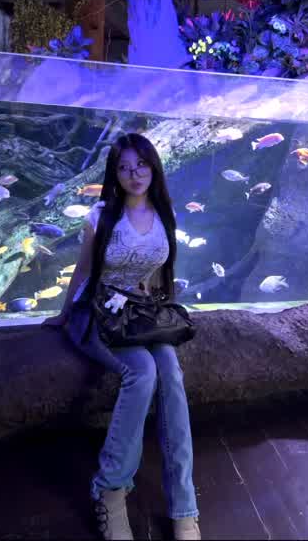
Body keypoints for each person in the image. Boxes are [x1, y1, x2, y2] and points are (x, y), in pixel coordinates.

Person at [46, 133, 201, 540]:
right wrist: (64, 314)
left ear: (154, 166)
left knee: (171, 373)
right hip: (96, 313)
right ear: (114, 174)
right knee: (143, 372)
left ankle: (184, 506)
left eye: (142, 165)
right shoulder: (101, 215)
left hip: (138, 315)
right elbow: (83, 271)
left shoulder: (164, 213)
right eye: (124, 168)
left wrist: (158, 307)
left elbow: (157, 273)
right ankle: (110, 489)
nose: (135, 174)